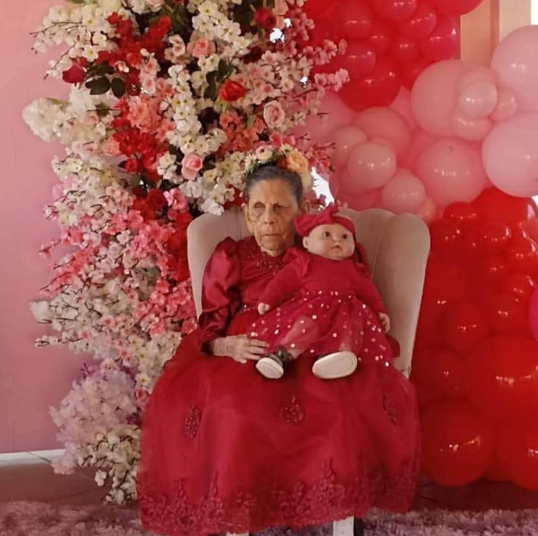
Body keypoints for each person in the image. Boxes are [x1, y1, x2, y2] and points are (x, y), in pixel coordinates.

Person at [137, 164, 420, 536]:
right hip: (249, 350)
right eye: (257, 208)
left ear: (299, 211)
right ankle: (238, 516)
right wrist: (224, 345)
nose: (267, 219)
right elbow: (210, 321)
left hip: (319, 350)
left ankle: (337, 515)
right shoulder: (231, 255)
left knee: (339, 403)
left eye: (279, 208)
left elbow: (358, 295)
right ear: (247, 212)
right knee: (233, 406)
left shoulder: (325, 250)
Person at [251, 206, 396, 381]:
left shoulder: (353, 269)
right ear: (306, 243)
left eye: (344, 237)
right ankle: (281, 355)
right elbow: (283, 282)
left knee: (351, 326)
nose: (337, 240)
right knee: (304, 327)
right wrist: (268, 299)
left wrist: (380, 310)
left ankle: (337, 356)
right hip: (311, 309)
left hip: (345, 311)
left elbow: (369, 291)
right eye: (326, 235)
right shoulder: (305, 262)